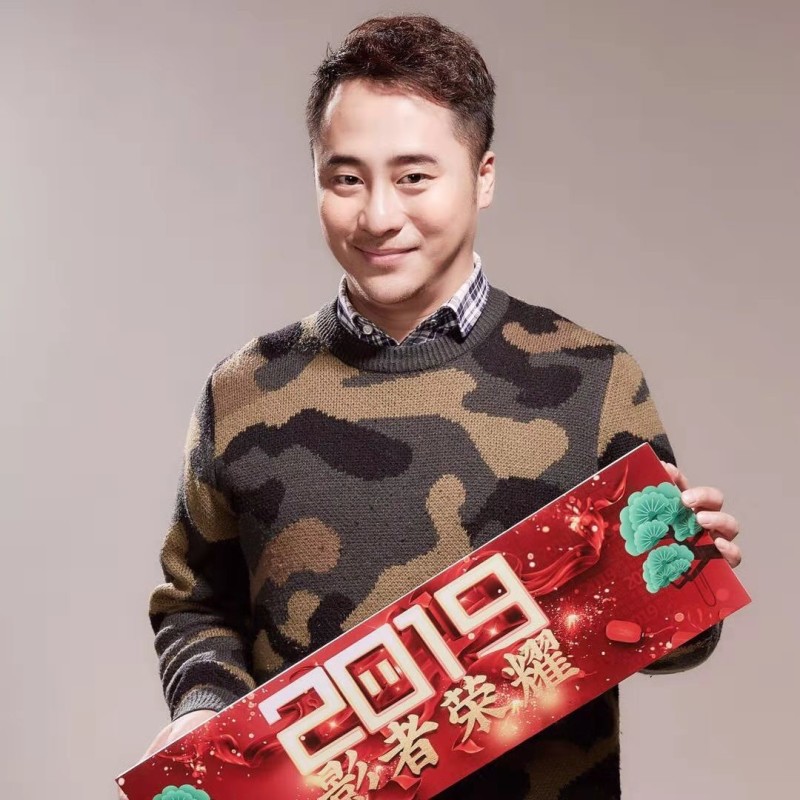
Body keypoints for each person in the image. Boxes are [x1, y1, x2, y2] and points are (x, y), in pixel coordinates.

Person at [133, 14, 743, 799]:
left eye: (414, 177)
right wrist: (202, 713)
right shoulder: (243, 389)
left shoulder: (594, 379)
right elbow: (195, 605)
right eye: (345, 179)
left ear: (483, 176)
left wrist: (684, 583)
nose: (378, 215)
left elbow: (672, 639)